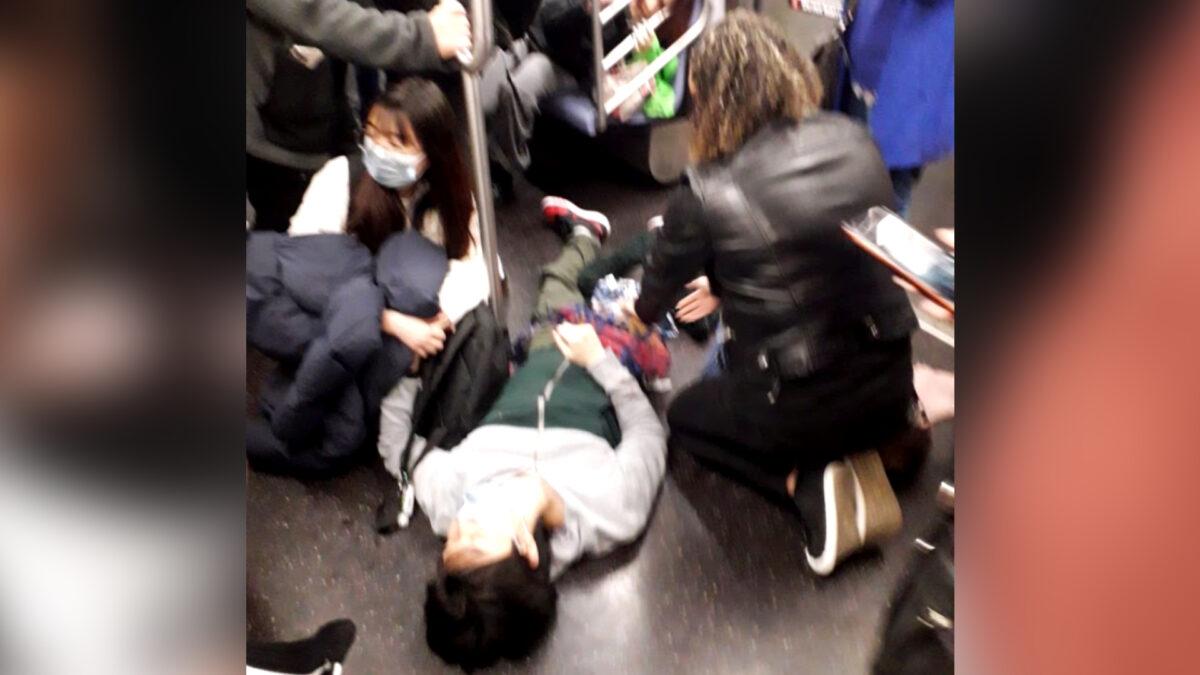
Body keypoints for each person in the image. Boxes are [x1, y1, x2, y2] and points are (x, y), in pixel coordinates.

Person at [629, 11, 928, 576]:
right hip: (891, 379)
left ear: (707, 96)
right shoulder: (852, 137)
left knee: (689, 418)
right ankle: (867, 449)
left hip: (799, 403)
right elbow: (822, 250)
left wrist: (642, 315)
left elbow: (650, 301)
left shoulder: (705, 189)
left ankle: (804, 480)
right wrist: (727, 283)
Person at [407, 214, 667, 669]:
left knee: (559, 278)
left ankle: (587, 233)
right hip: (615, 356)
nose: (460, 525)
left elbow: (407, 451)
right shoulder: (613, 509)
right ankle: (666, 237)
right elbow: (648, 430)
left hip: (543, 346)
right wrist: (600, 360)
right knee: (658, 297)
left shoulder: (448, 501)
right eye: (477, 535)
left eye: (451, 543)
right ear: (527, 548)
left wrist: (404, 375)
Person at [283, 78, 491, 471]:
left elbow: (476, 264)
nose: (379, 149)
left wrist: (440, 318)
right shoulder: (341, 177)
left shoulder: (447, 197)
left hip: (414, 325)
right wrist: (393, 324)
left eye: (397, 143)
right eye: (373, 134)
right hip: (342, 317)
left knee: (443, 289)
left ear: (431, 153)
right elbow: (303, 270)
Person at [246, 0, 473, 232]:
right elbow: (314, 12)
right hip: (277, 139)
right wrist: (421, 36)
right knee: (290, 235)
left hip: (330, 112)